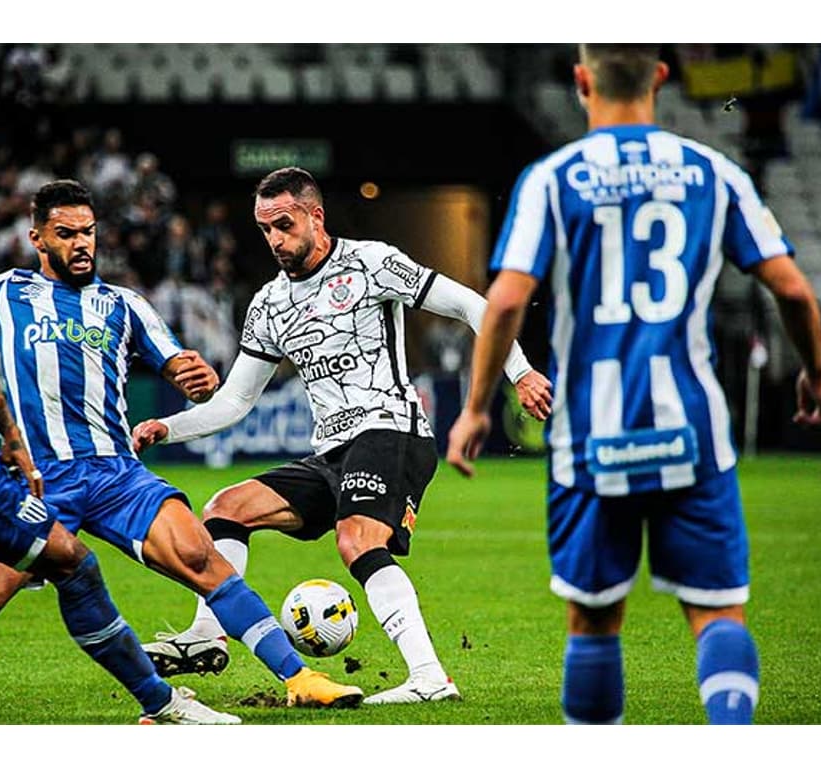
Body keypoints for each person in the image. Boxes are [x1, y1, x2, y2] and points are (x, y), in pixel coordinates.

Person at [0, 174, 361, 718]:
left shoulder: (124, 305)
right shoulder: (6, 292)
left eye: (88, 232)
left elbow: (177, 362)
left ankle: (300, 677)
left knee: (198, 555)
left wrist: (195, 378)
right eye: (65, 233)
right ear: (38, 238)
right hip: (42, 482)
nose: (81, 243)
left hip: (116, 474)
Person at [446, 45, 821, 725]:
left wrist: (477, 408)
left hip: (592, 439)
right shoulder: (714, 172)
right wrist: (814, 372)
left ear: (581, 79)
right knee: (717, 614)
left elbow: (505, 303)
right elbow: (795, 292)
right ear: (661, 76)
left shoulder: (551, 178)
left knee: (593, 621)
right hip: (692, 433)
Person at [132, 166, 553, 704]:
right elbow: (235, 401)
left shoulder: (371, 263)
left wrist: (521, 373)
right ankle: (207, 633)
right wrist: (167, 427)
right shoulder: (268, 304)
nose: (275, 240)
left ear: (316, 216)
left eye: (284, 225)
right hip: (331, 452)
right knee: (225, 507)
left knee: (356, 538)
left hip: (391, 427)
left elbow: (473, 305)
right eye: (265, 229)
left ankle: (429, 678)